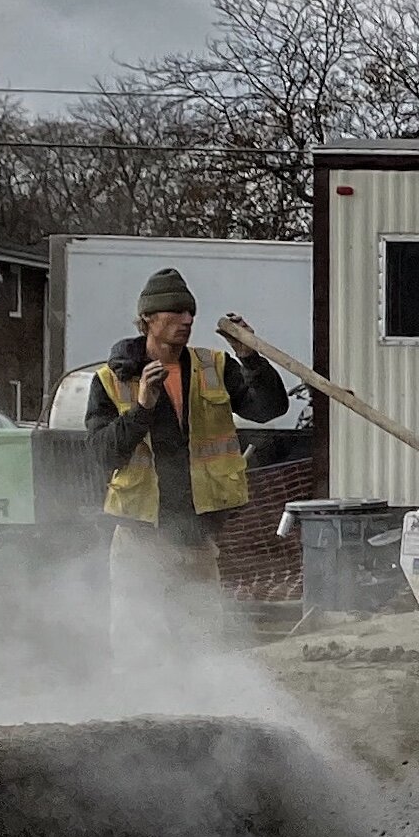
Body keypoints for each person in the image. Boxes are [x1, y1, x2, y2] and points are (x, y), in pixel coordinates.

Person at [86, 267, 288, 649]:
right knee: (138, 648)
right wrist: (142, 408)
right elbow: (101, 453)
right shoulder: (112, 380)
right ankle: (140, 709)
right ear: (147, 318)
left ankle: (197, 710)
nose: (187, 320)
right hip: (140, 539)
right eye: (176, 312)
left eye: (190, 312)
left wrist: (250, 357)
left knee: (203, 647)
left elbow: (269, 408)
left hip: (196, 537)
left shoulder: (214, 367)